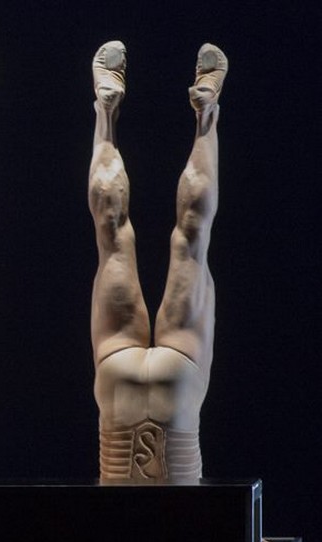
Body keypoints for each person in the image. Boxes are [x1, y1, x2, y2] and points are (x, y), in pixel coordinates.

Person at [88, 41, 226, 483]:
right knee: (129, 237)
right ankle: (116, 111)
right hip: (140, 378)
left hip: (160, 376)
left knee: (183, 239)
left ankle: (195, 112)